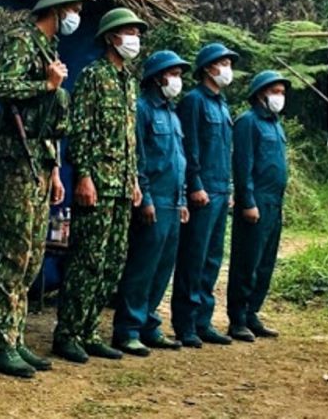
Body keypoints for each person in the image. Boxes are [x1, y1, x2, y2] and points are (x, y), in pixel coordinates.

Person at [0, 0, 94, 378]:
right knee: (12, 252)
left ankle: (14, 338)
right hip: (17, 162)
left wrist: (56, 169)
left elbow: (48, 119)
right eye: (74, 8)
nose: (77, 15)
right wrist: (45, 84)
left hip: (40, 162)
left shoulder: (49, 47)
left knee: (31, 255)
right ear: (56, 8)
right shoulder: (20, 41)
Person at [52, 8, 145, 363]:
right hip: (97, 186)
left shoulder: (129, 82)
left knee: (112, 263)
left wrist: (133, 179)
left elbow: (129, 138)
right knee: (86, 261)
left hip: (122, 187)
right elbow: (80, 129)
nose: (134, 38)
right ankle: (68, 333)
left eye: (137, 32)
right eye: (129, 32)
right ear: (110, 37)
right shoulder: (93, 75)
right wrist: (84, 175)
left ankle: (90, 331)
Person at [112, 50, 191, 356]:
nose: (178, 80)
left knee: (162, 269)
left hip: (172, 200)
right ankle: (128, 329)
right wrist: (144, 197)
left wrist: (182, 199)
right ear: (158, 78)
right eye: (174, 74)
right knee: (142, 267)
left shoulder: (171, 112)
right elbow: (138, 158)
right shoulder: (143, 109)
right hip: (153, 199)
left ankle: (149, 324)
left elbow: (178, 159)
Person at [171, 43, 239, 347]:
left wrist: (230, 188)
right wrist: (195, 184)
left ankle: (203, 320)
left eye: (229, 64)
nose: (227, 69)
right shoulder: (194, 101)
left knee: (212, 258)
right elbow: (190, 147)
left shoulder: (222, 104)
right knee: (193, 257)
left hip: (221, 190)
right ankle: (185, 323)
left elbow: (226, 150)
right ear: (208, 68)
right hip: (202, 191)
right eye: (223, 63)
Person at [227, 70, 290, 342]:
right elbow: (243, 165)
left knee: (265, 262)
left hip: (275, 202)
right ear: (261, 93)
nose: (280, 97)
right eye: (275, 91)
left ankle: (252, 312)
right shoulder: (247, 122)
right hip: (256, 200)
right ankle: (237, 319)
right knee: (247, 261)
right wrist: (248, 201)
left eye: (282, 92)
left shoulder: (275, 124)